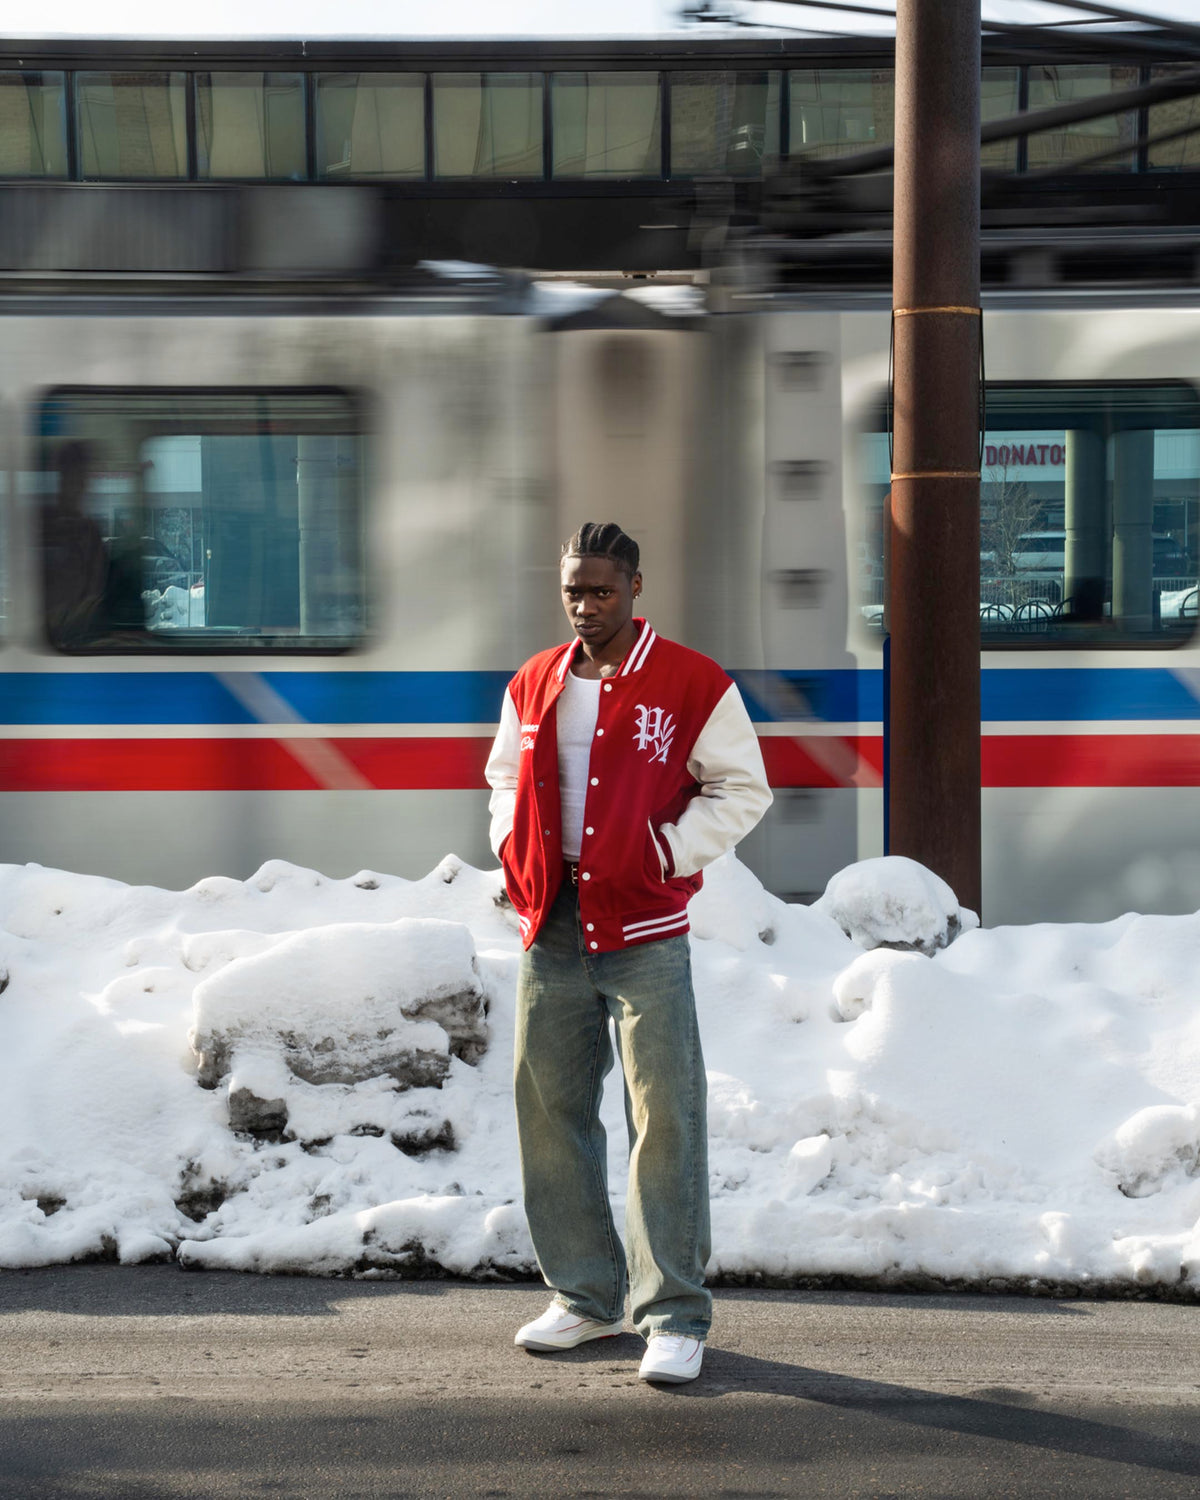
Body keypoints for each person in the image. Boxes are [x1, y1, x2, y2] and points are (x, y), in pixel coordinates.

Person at [485, 521, 771, 1384]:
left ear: (635, 589)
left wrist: (665, 854)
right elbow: (504, 776)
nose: (584, 606)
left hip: (644, 928)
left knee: (665, 1120)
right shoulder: (535, 680)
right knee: (550, 1110)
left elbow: (743, 787)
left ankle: (675, 1314)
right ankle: (584, 1297)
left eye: (600, 591)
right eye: (573, 590)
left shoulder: (691, 682)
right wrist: (511, 851)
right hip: (553, 923)